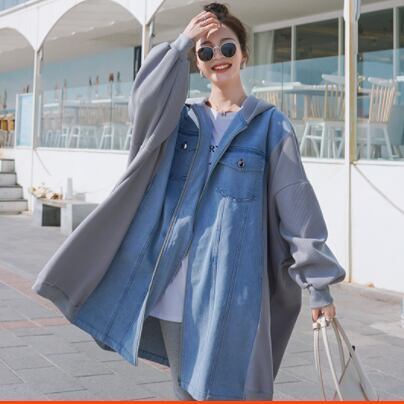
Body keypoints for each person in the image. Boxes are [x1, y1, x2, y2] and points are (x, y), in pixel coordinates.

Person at [32, 2, 345, 401]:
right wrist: (180, 43)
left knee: (230, 392)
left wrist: (319, 286)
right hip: (176, 288)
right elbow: (142, 103)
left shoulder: (271, 126)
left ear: (244, 55)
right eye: (206, 50)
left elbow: (297, 204)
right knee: (184, 391)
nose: (218, 57)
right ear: (196, 63)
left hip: (234, 293)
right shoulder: (181, 122)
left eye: (228, 47)